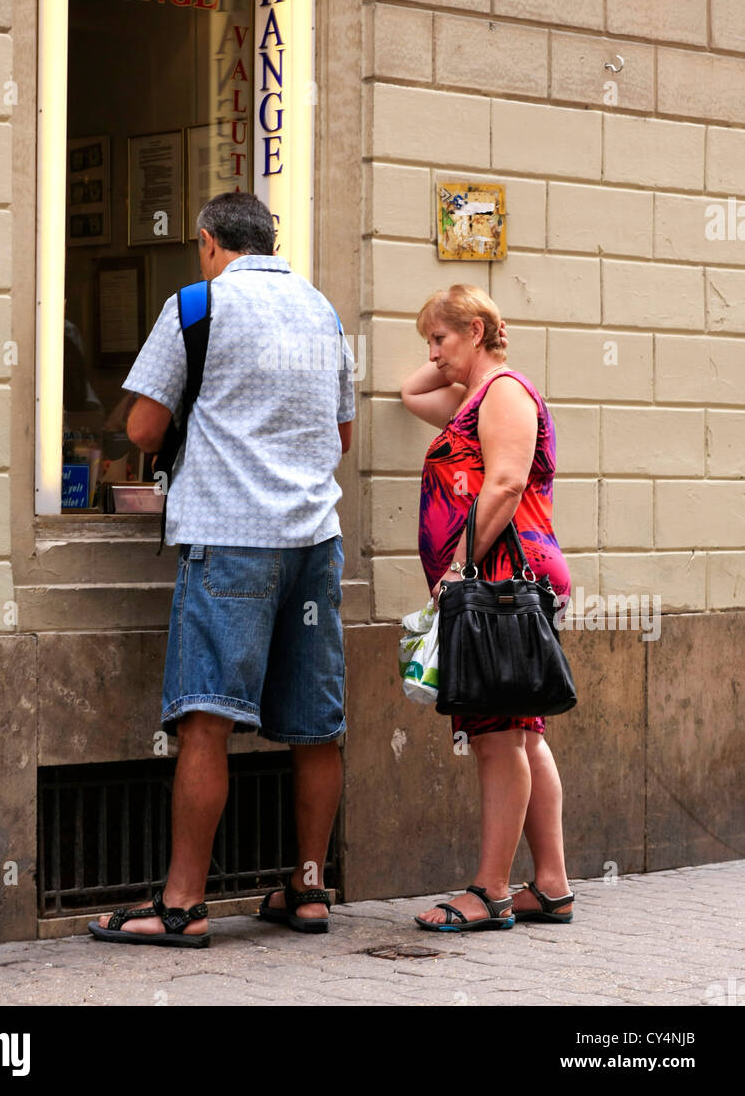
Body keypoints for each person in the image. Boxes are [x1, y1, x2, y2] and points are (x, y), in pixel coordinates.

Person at [87, 192, 354, 947]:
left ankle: (182, 905)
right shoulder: (323, 313)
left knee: (206, 720)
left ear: (209, 243)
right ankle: (308, 889)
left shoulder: (197, 307)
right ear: (271, 239)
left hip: (231, 538)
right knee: (316, 728)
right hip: (314, 543)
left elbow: (143, 425)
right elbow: (339, 436)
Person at [400, 284, 574, 933]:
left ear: (475, 330)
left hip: (498, 579)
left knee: (498, 735)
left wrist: (456, 569)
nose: (432, 355)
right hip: (498, 578)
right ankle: (550, 885)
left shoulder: (502, 393)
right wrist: (452, 343)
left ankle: (490, 890)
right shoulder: (473, 396)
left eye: (440, 339)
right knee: (522, 732)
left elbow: (504, 482)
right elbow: (411, 392)